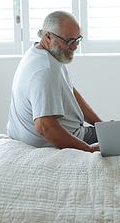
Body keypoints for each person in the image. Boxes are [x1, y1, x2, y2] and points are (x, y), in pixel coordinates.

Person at [7, 11, 102, 152]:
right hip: (52, 141)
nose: (75, 46)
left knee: (116, 132)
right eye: (69, 41)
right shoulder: (46, 71)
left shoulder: (43, 53)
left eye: (77, 39)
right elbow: (44, 126)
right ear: (48, 36)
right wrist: (90, 150)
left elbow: (71, 92)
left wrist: (101, 125)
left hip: (69, 131)